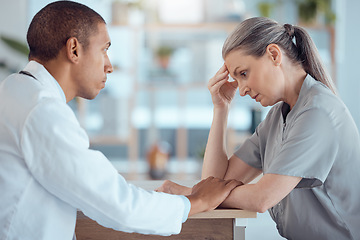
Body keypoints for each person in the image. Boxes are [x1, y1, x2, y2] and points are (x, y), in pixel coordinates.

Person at [0, 1, 242, 240]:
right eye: (104, 49)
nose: (109, 66)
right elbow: (118, 204)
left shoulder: (14, 90)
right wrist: (195, 201)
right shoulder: (42, 111)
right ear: (74, 49)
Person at [157, 17, 360, 239]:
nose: (241, 90)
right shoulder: (277, 117)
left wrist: (190, 194)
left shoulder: (318, 112)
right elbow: (215, 182)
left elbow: (262, 198)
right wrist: (221, 108)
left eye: (243, 74)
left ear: (274, 55)